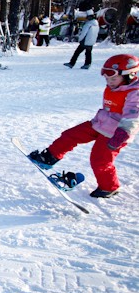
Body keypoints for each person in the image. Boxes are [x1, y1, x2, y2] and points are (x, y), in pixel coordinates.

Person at [29, 54, 139, 198]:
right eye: (107, 79)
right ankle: (50, 157)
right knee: (71, 135)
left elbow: (132, 116)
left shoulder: (134, 93)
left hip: (115, 134)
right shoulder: (117, 87)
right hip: (99, 123)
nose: (109, 82)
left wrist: (123, 133)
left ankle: (109, 187)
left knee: (100, 160)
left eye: (113, 79)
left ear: (130, 75)